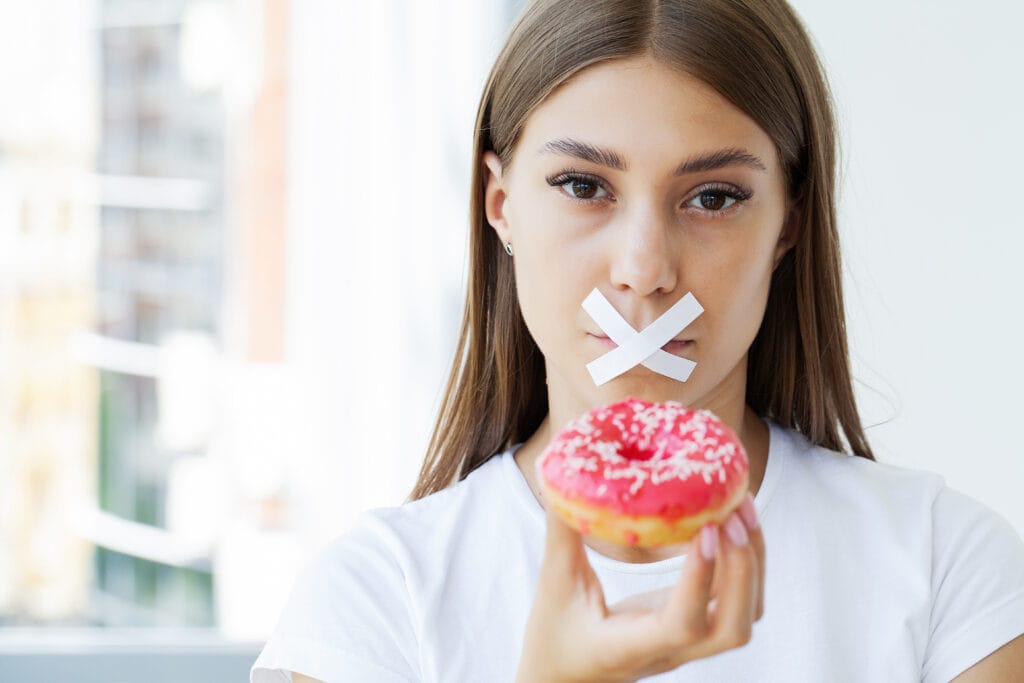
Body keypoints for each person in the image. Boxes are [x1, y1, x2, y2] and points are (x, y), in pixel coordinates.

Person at [251, 0, 1024, 680]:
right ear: (501, 204)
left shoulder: (948, 570)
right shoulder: (374, 606)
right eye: (584, 187)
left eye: (713, 197)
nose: (645, 268)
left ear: (787, 225)